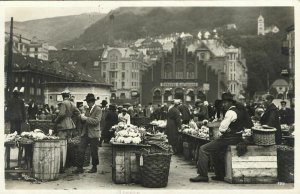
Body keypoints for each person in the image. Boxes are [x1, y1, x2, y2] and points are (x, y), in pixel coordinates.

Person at [190, 92, 253, 182]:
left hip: (228, 139)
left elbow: (222, 128)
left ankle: (202, 175)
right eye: (223, 103)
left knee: (203, 149)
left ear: (230, 103)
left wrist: (224, 130)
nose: (223, 105)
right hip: (237, 138)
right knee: (216, 152)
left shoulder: (230, 112)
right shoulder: (239, 110)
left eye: (225, 103)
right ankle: (220, 174)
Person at [73, 93, 102, 174]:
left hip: (94, 134)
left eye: (88, 102)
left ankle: (94, 167)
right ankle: (79, 168)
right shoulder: (87, 109)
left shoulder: (98, 109)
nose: (87, 103)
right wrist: (81, 117)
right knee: (80, 149)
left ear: (91, 102)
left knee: (94, 151)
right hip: (85, 133)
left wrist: (85, 118)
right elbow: (84, 121)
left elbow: (96, 121)